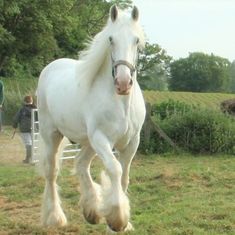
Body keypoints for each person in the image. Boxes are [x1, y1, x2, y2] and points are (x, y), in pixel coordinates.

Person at [13, 95, 37, 163]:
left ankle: (28, 158)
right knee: (33, 143)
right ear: (31, 101)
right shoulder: (36, 109)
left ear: (24, 101)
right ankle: (33, 158)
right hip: (34, 129)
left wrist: (14, 126)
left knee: (28, 143)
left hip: (24, 129)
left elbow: (16, 119)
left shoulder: (22, 109)